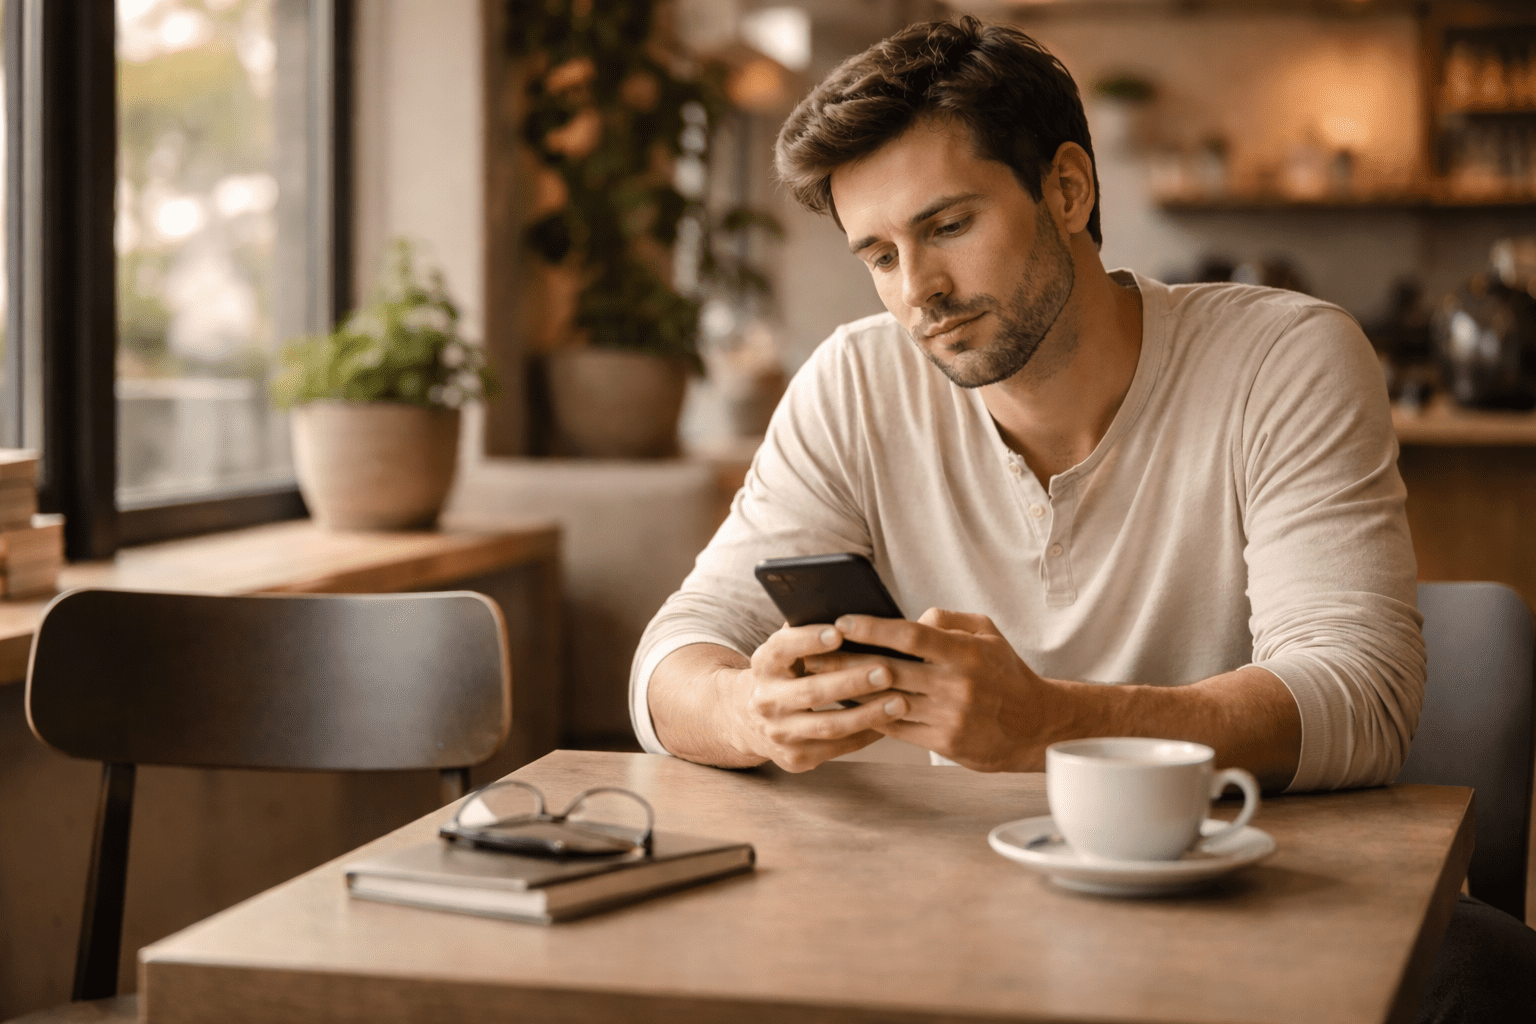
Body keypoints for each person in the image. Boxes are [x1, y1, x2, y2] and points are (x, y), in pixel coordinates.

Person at [628, 17, 1536, 1021]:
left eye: (947, 226)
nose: (916, 292)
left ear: (1067, 189)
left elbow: (1359, 700)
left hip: (1250, 901)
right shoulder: (853, 382)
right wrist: (749, 711)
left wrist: (1050, 721)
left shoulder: (1285, 359)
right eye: (878, 254)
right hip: (952, 912)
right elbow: (676, 653)